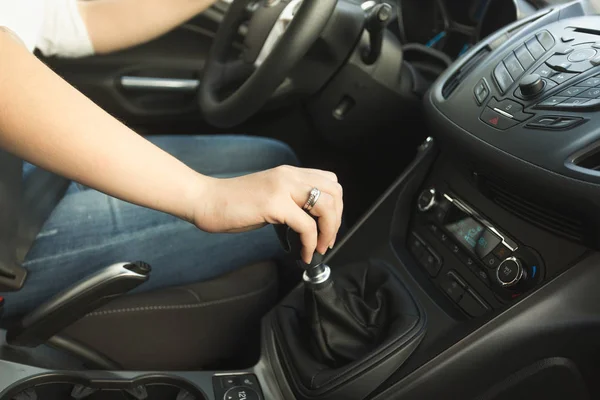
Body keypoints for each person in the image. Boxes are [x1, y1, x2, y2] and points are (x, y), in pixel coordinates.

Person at [0, 0, 343, 318]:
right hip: (8, 236)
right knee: (290, 219)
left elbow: (72, 18)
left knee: (273, 157)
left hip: (17, 167)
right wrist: (205, 197)